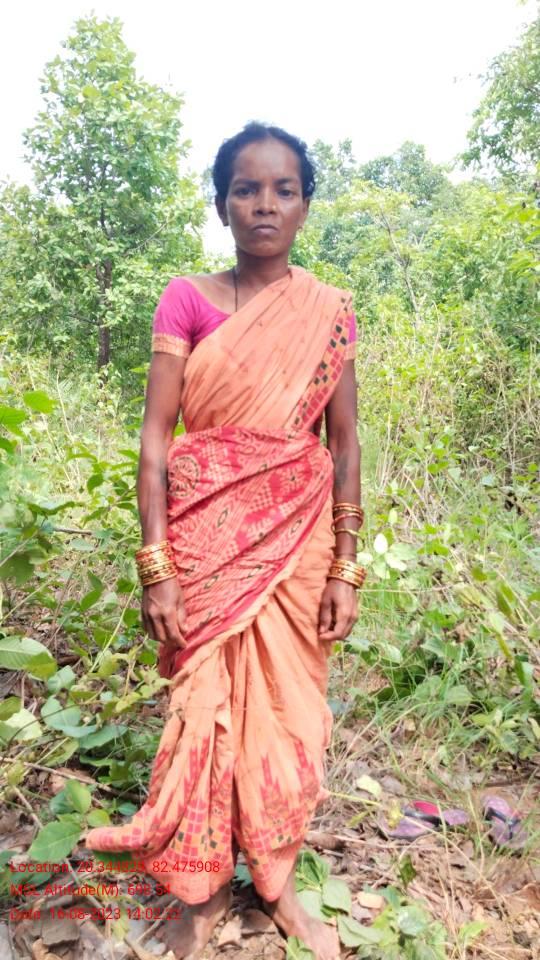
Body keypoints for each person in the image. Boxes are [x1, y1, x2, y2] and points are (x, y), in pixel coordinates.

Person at [85, 122, 365, 960]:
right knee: (202, 714)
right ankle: (200, 890)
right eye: (246, 189)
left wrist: (346, 566)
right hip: (204, 545)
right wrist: (157, 567)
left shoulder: (329, 313)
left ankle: (276, 883)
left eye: (283, 189)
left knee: (287, 719)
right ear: (221, 204)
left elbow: (345, 443)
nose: (264, 205)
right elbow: (155, 441)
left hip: (297, 544)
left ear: (306, 206)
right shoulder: (188, 298)